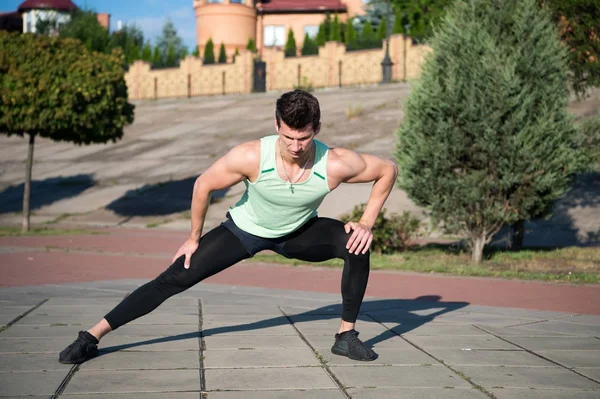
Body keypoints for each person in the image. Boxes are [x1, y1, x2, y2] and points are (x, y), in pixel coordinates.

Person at [58, 89, 398, 364]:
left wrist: (366, 222)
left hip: (298, 233)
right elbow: (203, 185)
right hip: (243, 231)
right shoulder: (251, 156)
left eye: (304, 139)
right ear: (277, 124)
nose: (296, 147)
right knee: (173, 278)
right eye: (288, 137)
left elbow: (387, 170)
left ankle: (345, 336)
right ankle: (91, 336)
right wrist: (193, 238)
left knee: (357, 243)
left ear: (317, 129)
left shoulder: (336, 163)